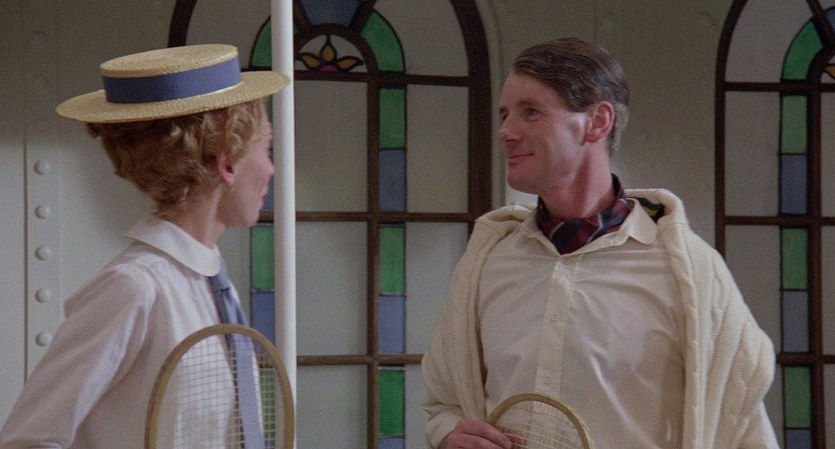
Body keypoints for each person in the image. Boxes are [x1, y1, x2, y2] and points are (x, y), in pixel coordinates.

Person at [421, 37, 779, 449]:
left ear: (597, 121)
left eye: (530, 112)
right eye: (505, 114)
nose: (505, 132)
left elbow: (742, 427)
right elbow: (444, 402)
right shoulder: (487, 264)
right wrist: (449, 434)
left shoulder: (690, 274)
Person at [0, 44, 289, 449]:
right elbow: (27, 440)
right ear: (227, 163)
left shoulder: (213, 284)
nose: (271, 169)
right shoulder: (133, 288)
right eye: (266, 147)